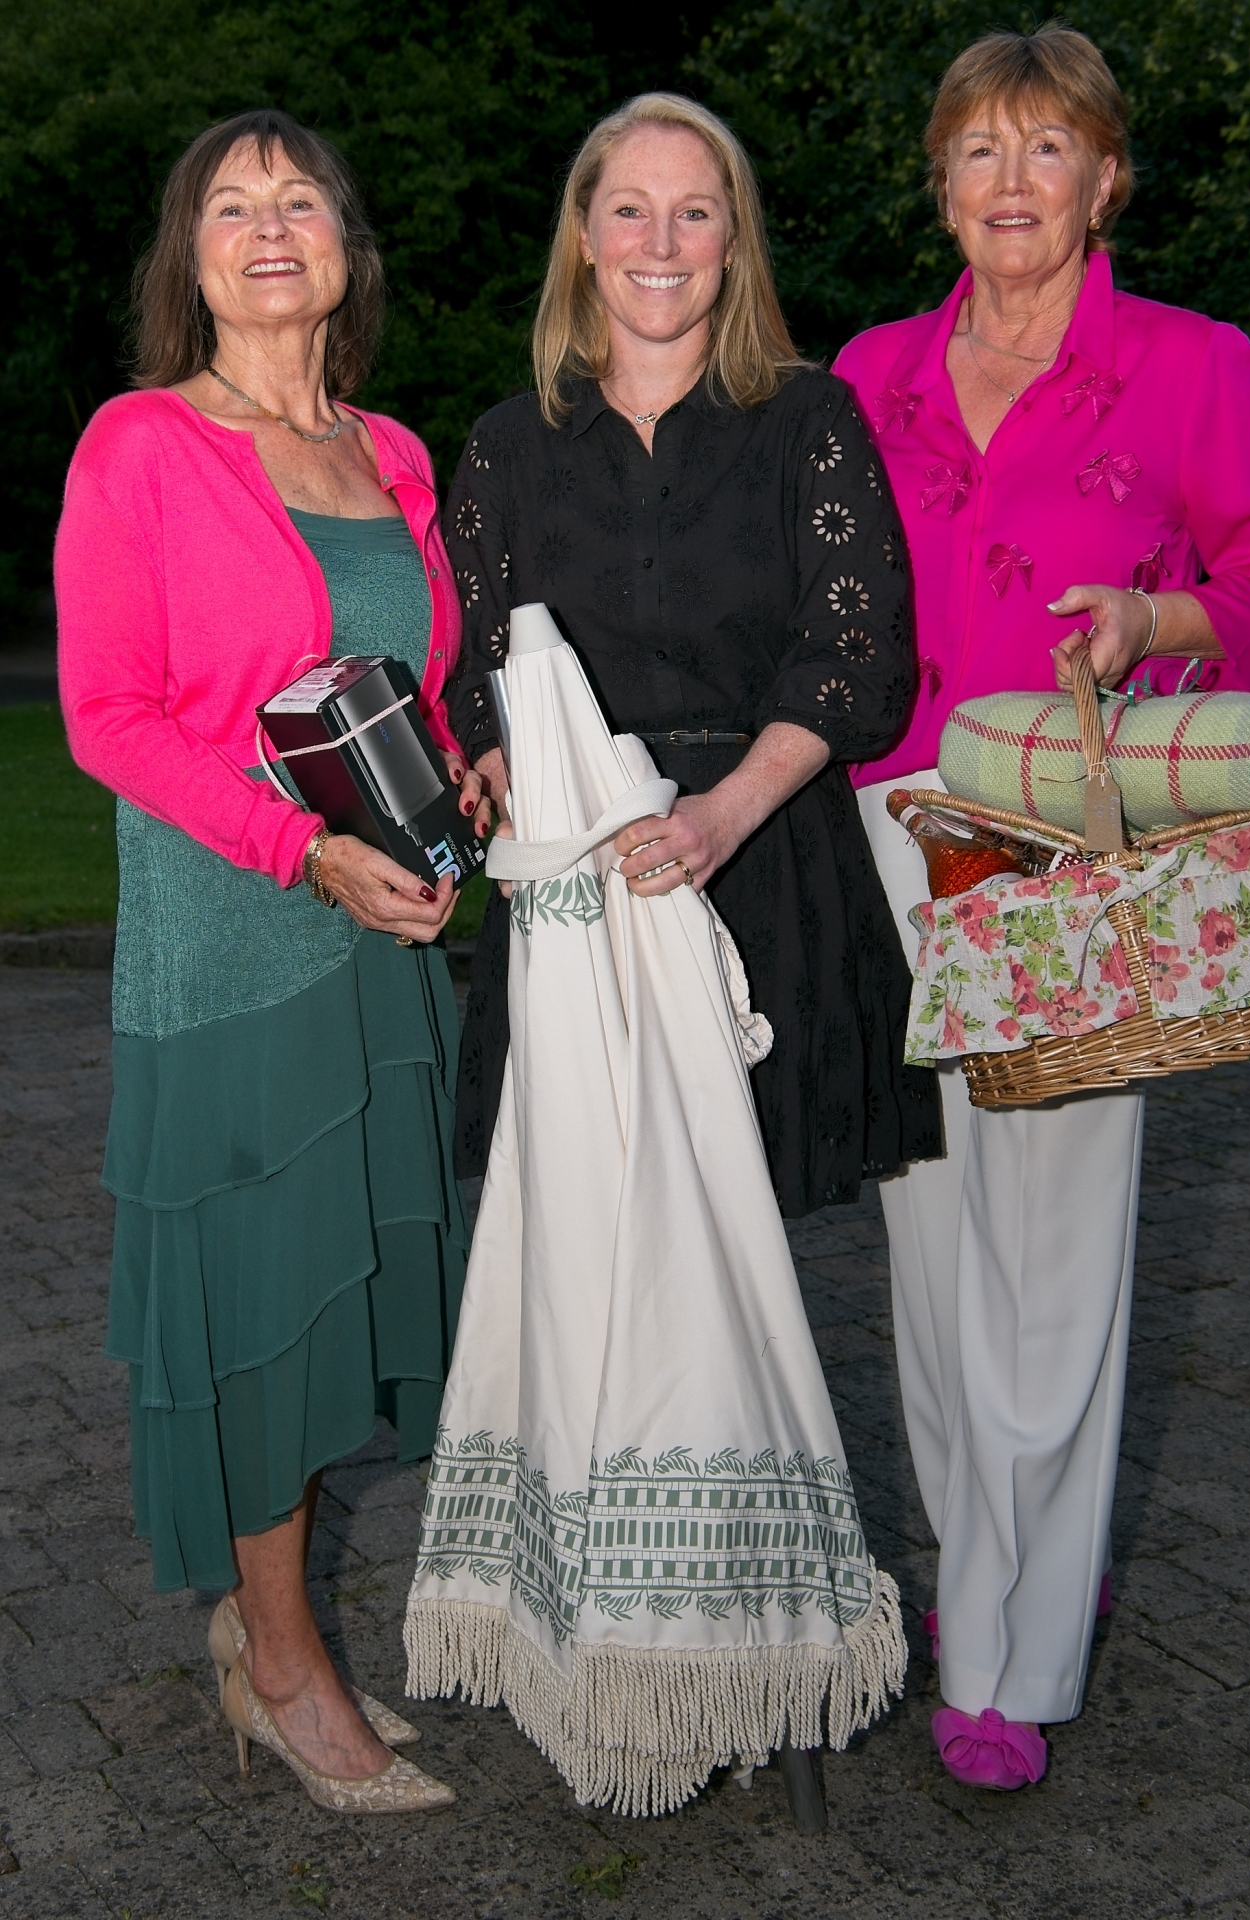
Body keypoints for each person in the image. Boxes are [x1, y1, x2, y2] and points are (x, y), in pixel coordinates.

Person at [833, 26, 1250, 1789]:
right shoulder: (869, 372)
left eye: (1046, 148)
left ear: (1105, 179)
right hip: (890, 833)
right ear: (940, 185)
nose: (1010, 182)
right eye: (978, 149)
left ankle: (1008, 1654)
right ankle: (1002, 1551)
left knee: (1046, 1243)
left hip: (1066, 844)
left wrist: (1150, 619)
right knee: (926, 1235)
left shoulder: (1189, 364)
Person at [55, 109, 468, 1814]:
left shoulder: (395, 453)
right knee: (264, 1318)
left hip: (385, 943)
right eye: (232, 205)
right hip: (236, 946)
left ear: (346, 250)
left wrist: (460, 780)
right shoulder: (141, 444)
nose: (271, 224)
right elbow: (108, 717)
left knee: (340, 1303)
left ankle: (269, 1627)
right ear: (194, 260)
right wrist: (301, 851)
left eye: (300, 197)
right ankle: (282, 1665)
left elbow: (407, 682)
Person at [448, 91, 941, 1220]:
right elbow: (478, 678)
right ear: (584, 236)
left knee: (744, 1256)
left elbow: (856, 657)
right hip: (579, 884)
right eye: (629, 210)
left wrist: (723, 815)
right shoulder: (504, 448)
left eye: (694, 212)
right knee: (587, 1238)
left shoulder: (811, 421)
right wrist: (518, 788)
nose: (660, 244)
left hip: (763, 858)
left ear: (733, 240)